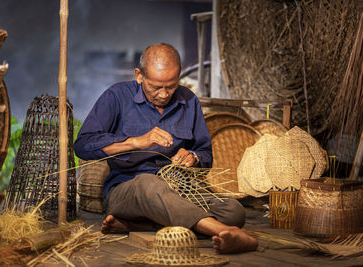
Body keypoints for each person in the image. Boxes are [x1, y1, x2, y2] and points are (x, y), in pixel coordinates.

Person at [74, 43, 258, 253]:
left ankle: (136, 226)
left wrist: (193, 156)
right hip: (127, 190)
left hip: (178, 189)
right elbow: (83, 145)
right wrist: (135, 141)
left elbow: (205, 152)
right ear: (139, 75)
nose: (163, 94)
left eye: (171, 86)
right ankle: (224, 231)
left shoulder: (189, 101)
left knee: (233, 211)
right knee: (148, 183)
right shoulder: (117, 96)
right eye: (155, 87)